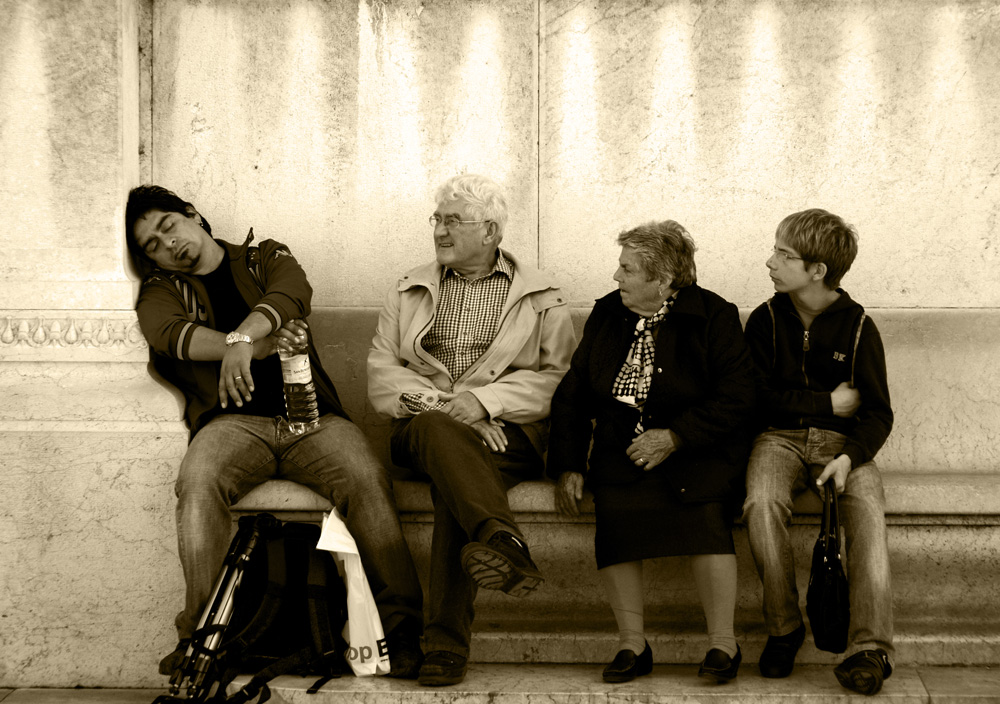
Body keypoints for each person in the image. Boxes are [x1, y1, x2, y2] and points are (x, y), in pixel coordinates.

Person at [125, 185, 424, 679]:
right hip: (230, 424)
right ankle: (201, 639)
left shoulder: (261, 256)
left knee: (366, 478)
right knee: (198, 482)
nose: (168, 244)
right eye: (152, 245)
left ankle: (402, 630)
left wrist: (243, 339)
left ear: (192, 215)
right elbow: (167, 334)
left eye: (168, 226)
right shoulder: (163, 289)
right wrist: (243, 346)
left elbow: (292, 293)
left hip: (312, 418)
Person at [367, 173, 576, 686]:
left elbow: (560, 380)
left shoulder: (542, 297)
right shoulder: (408, 289)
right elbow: (381, 373)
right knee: (443, 438)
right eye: (437, 219)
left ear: (490, 231)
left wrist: (486, 403)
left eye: (453, 220)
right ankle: (499, 542)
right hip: (421, 428)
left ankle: (447, 640)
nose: (439, 230)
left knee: (454, 487)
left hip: (510, 435)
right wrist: (453, 409)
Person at [548, 220, 756, 684]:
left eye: (627, 269)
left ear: (662, 280)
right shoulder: (608, 313)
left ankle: (723, 644)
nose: (616, 276)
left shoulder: (714, 316)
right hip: (623, 451)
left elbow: (738, 396)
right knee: (616, 511)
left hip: (696, 450)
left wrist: (675, 437)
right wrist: (568, 465)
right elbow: (573, 394)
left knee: (706, 514)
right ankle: (632, 644)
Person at [742, 208, 894, 696]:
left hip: (845, 447)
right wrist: (826, 403)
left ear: (817, 270)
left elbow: (878, 413)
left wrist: (850, 457)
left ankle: (869, 648)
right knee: (761, 503)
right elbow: (755, 398)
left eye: (783, 255)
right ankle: (784, 627)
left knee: (867, 516)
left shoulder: (859, 327)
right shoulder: (765, 320)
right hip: (778, 438)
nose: (770, 262)